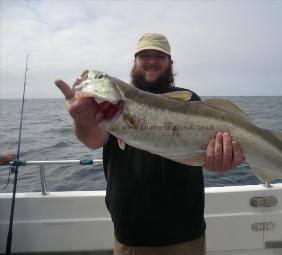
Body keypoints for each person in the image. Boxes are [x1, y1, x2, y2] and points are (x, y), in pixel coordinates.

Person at [55, 33, 243, 255]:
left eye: (159, 56)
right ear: (134, 62)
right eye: (144, 55)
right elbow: (94, 140)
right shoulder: (109, 108)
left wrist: (220, 163)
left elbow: (202, 156)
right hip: (130, 237)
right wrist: (82, 120)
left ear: (170, 63)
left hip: (185, 235)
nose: (151, 61)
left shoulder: (188, 100)